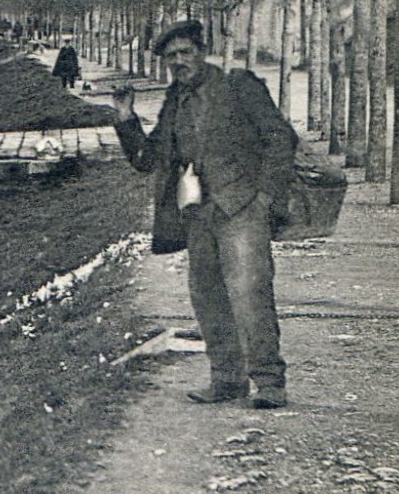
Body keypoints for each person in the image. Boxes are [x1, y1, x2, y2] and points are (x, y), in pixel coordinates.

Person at [111, 20, 297, 409]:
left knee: (249, 294)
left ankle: (269, 382)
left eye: (185, 52)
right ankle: (227, 380)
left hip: (241, 207)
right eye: (170, 57)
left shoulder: (239, 86)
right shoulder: (174, 101)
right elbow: (149, 159)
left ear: (202, 51)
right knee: (208, 296)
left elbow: (281, 139)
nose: (179, 62)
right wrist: (126, 118)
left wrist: (267, 199)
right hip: (197, 212)